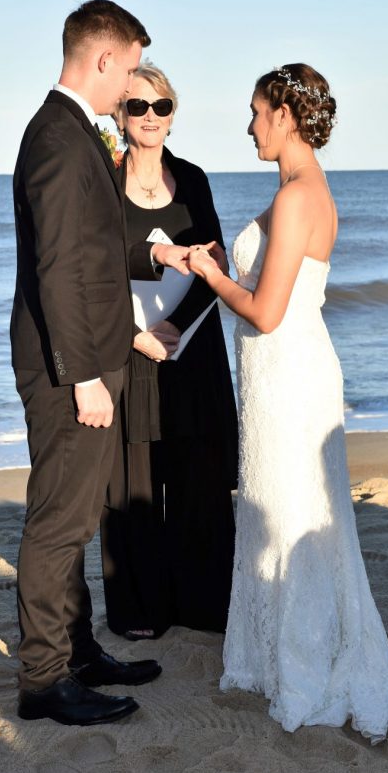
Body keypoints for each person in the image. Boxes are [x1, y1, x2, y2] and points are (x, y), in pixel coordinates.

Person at [188, 64, 388, 741]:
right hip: (282, 373)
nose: (247, 125)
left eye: (254, 111)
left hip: (288, 372)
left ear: (285, 114)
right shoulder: (297, 191)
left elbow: (266, 312)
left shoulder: (300, 196)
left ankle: (302, 662)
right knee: (283, 505)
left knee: (290, 509)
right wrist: (221, 262)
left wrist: (215, 277)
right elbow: (264, 278)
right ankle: (279, 654)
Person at [10, 0, 184, 725]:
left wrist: (154, 254)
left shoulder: (77, 134)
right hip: (67, 369)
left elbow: (90, 249)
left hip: (91, 357)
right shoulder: (56, 137)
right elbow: (55, 269)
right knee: (58, 521)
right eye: (131, 65)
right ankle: (45, 681)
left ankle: (79, 652)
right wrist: (84, 375)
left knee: (77, 518)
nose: (134, 83)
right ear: (104, 58)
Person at [100, 64, 238, 640]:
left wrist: (175, 326)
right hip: (129, 351)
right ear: (119, 115)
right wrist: (138, 336)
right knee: (134, 483)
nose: (150, 117)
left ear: (173, 114)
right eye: (138, 107)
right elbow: (94, 270)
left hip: (191, 346)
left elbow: (216, 260)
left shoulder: (195, 179)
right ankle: (140, 612)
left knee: (197, 478)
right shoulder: (103, 183)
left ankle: (201, 605)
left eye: (161, 106)